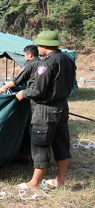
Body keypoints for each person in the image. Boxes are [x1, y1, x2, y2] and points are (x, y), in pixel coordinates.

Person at [15, 31, 76, 190]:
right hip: (62, 106)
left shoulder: (46, 63)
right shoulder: (68, 59)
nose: (37, 48)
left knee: (40, 144)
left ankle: (34, 183)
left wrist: (24, 93)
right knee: (62, 143)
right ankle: (60, 181)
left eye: (39, 45)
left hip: (46, 110)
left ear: (45, 46)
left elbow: (39, 91)